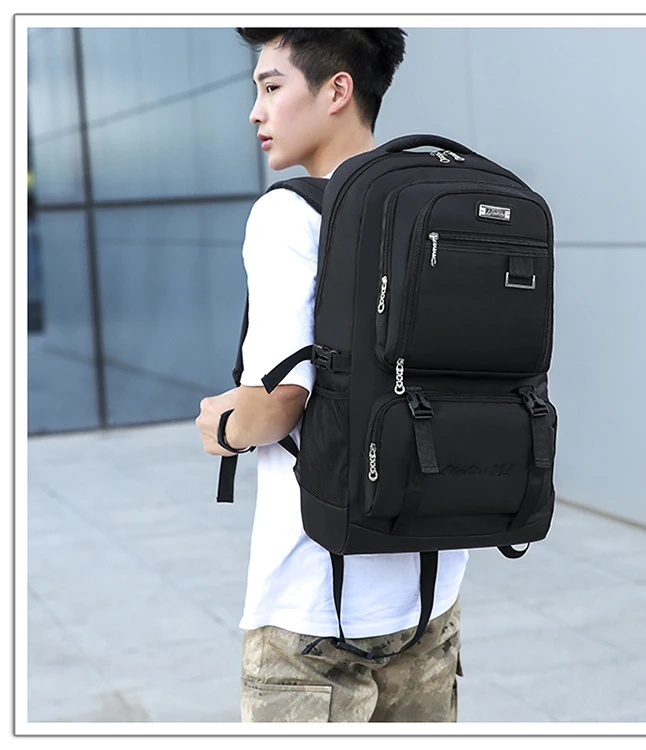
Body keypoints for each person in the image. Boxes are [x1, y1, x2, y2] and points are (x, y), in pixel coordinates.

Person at [195, 28, 468, 723]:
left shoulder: (287, 213)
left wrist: (222, 425)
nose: (256, 111)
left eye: (271, 86)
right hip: (431, 597)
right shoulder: (439, 202)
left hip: (314, 610)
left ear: (338, 89)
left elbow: (279, 402)